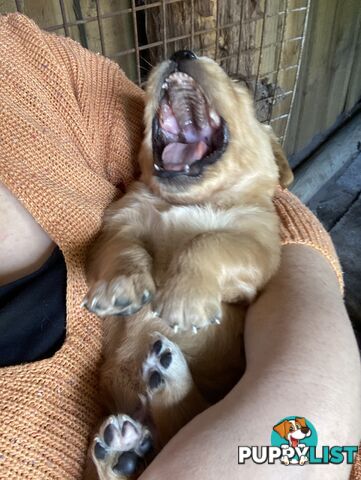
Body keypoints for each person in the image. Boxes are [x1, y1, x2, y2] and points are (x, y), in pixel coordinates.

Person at [0, 13, 360, 480]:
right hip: (126, 391)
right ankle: (152, 427)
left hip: (223, 402)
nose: (179, 64)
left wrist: (205, 268)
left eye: (237, 89)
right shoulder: (137, 202)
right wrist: (125, 264)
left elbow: (262, 251)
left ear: (273, 160)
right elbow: (115, 244)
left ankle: (161, 419)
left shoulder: (33, 67)